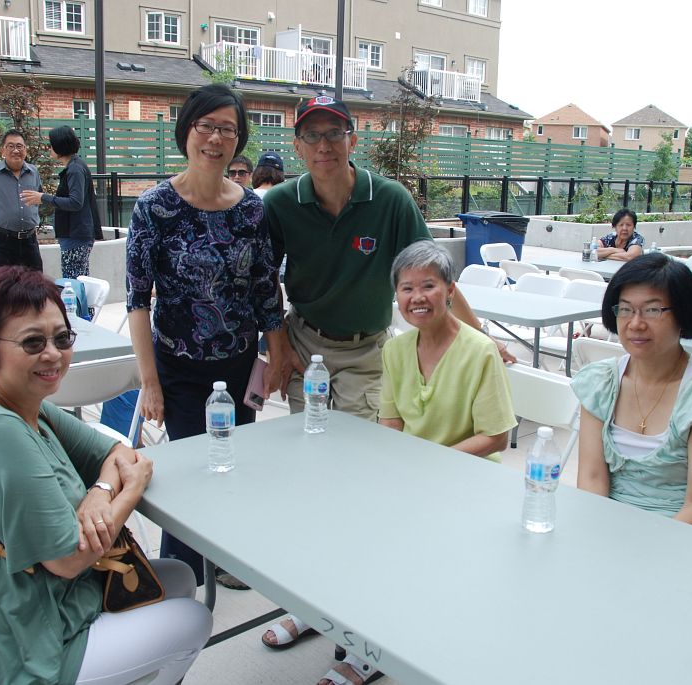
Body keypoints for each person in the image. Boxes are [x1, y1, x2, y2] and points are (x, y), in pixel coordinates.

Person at [259, 94, 512, 685]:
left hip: (368, 351)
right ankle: (312, 603)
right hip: (305, 345)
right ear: (297, 145)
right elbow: (261, 279)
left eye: (335, 133)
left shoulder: (389, 199)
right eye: (312, 135)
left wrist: (479, 337)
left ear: (353, 140)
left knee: (360, 490)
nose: (324, 145)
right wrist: (279, 347)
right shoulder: (280, 203)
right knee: (314, 482)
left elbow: (431, 274)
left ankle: (361, 627)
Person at [0, 266, 212, 685]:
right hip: (19, 652)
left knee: (179, 576)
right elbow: (69, 559)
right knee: (193, 618)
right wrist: (129, 492)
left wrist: (100, 492)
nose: (53, 354)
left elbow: (119, 452)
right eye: (33, 342)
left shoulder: (28, 407)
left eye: (62, 338)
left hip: (43, 603)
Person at [125, 84, 286, 590]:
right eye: (207, 126)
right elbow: (137, 300)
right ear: (187, 131)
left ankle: (230, 558)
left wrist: (277, 355)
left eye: (228, 130)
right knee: (192, 472)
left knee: (234, 464)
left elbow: (266, 290)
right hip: (179, 367)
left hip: (238, 364)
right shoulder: (154, 207)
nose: (216, 138)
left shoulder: (251, 209)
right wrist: (149, 381)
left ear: (239, 140)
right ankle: (181, 579)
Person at [571, 253, 692, 538]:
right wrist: (600, 537)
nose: (635, 323)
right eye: (625, 309)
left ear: (683, 314)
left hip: (690, 534)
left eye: (653, 310)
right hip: (613, 527)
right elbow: (592, 480)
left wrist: (640, 550)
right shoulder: (600, 383)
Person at [380, 241, 517, 461]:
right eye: (407, 288)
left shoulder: (481, 351)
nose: (417, 297)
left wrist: (432, 462)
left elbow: (496, 437)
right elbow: (390, 422)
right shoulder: (394, 350)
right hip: (414, 466)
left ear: (450, 291)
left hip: (469, 469)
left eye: (428, 286)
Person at [20, 125, 102, 280]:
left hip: (76, 235)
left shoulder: (75, 169)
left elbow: (76, 202)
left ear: (60, 146)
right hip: (75, 234)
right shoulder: (75, 167)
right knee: (78, 279)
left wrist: (43, 197)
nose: (49, 148)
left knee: (73, 281)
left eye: (51, 145)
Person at [0, 129, 44, 271]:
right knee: (2, 283)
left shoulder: (33, 172)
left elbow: (39, 198)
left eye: (19, 146)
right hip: (2, 241)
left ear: (25, 150)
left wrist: (33, 219)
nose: (16, 150)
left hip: (29, 241)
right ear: (3, 151)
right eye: (10, 146)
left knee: (34, 282)